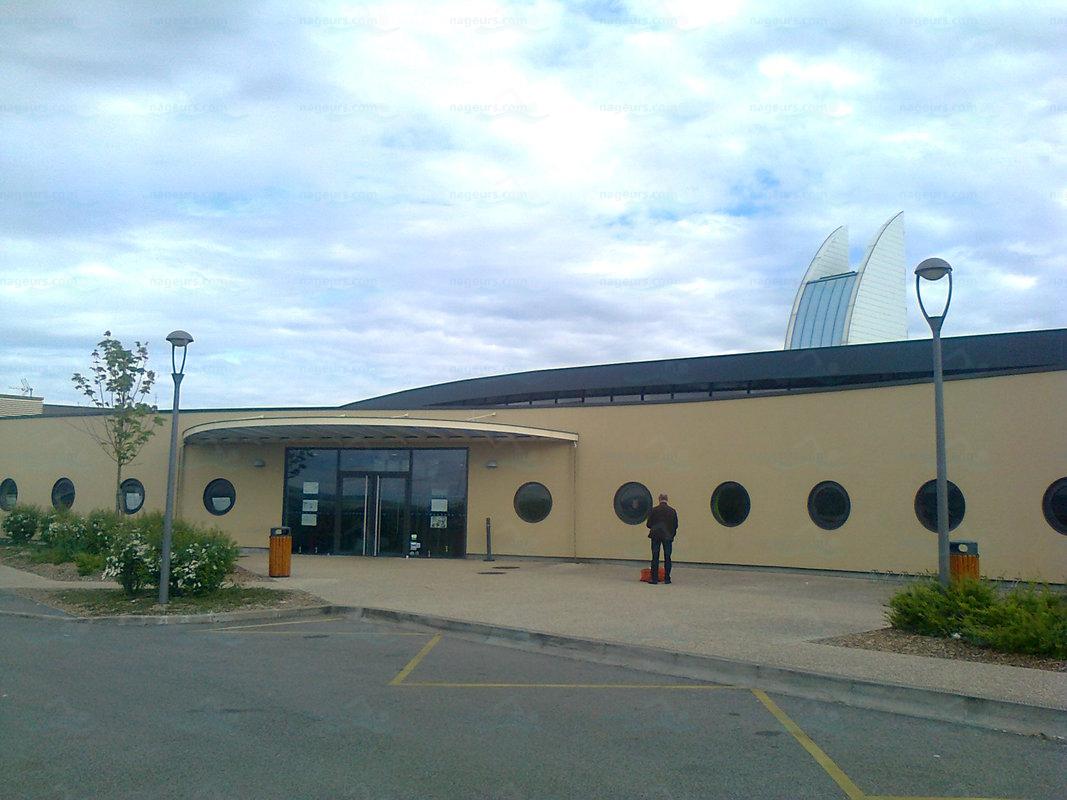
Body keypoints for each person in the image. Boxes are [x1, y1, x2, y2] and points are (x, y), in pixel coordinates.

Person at [645, 493, 678, 585]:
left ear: (659, 499)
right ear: (667, 499)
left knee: (655, 556)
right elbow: (675, 525)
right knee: (668, 557)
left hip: (655, 536)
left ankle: (654, 579)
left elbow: (648, 524)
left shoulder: (654, 510)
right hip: (668, 536)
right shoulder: (672, 511)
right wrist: (672, 535)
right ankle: (667, 578)